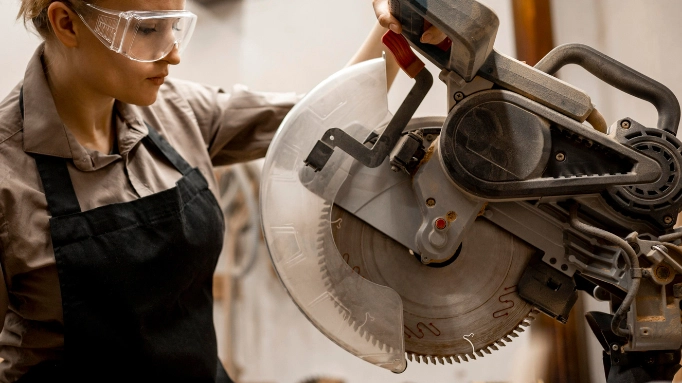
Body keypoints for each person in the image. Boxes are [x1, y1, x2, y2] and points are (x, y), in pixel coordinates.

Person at [0, 0, 441, 381]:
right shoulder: (7, 174)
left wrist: (400, 21)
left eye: (175, 26)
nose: (172, 54)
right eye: (147, 29)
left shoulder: (179, 112)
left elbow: (324, 121)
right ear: (66, 23)